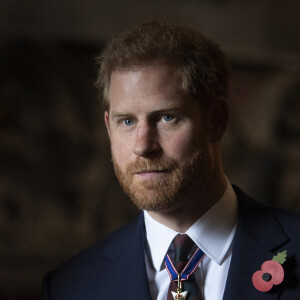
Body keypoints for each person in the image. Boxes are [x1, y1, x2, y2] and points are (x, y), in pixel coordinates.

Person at [42, 21, 300, 299]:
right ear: (108, 128)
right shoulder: (68, 289)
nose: (142, 146)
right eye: (127, 121)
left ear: (217, 120)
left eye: (167, 117)